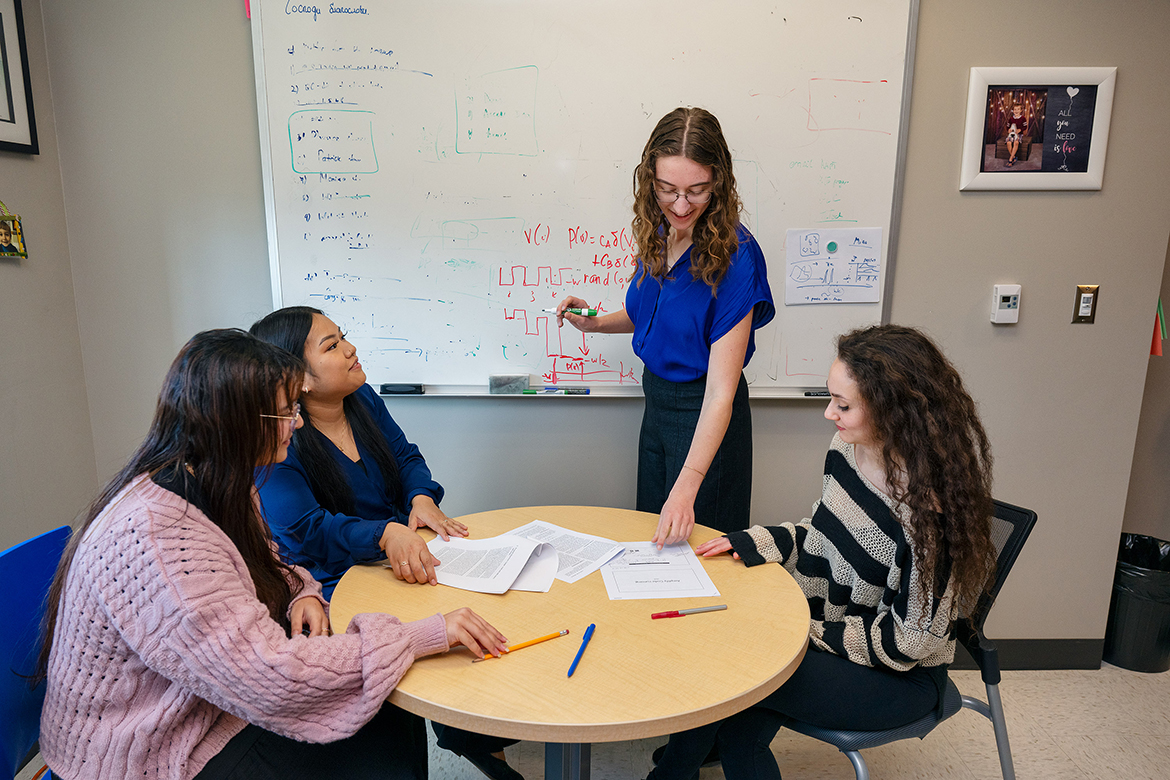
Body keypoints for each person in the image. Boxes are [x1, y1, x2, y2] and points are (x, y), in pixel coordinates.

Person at [37, 329, 508, 780]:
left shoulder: (215, 480)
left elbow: (269, 559)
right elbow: (273, 678)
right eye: (285, 413)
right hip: (151, 751)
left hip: (208, 703)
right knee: (375, 723)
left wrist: (300, 591)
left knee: (382, 712)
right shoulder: (159, 537)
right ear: (237, 423)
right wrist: (420, 635)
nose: (298, 423)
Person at [648, 324, 997, 780]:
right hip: (836, 636)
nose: (829, 414)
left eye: (844, 405)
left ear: (894, 411)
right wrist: (755, 542)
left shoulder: (928, 520)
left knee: (738, 675)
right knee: (735, 699)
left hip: (896, 677)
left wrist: (803, 632)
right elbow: (824, 533)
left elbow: (907, 643)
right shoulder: (848, 449)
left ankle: (670, 774)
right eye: (830, 398)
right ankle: (674, 772)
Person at [250, 306, 522, 780]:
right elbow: (305, 529)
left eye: (344, 338)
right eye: (332, 346)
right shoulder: (278, 439)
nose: (351, 349)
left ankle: (475, 741)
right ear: (299, 379)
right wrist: (383, 532)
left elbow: (406, 455)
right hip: (334, 584)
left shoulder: (363, 400)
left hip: (404, 558)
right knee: (424, 662)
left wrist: (420, 498)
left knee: (484, 628)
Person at [556, 106, 774, 547]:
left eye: (697, 191)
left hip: (705, 416)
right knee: (651, 545)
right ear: (649, 181)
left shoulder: (737, 256)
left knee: (699, 556)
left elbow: (720, 394)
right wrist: (594, 324)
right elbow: (652, 316)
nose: (680, 205)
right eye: (667, 189)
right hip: (656, 407)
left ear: (720, 182)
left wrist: (688, 484)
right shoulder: (661, 229)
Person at [1004, 102, 1028, 167]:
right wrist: (1008, 129)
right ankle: (1014, 157)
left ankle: (1010, 159)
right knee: (1008, 142)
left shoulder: (1023, 118)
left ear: (1021, 110)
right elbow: (1008, 126)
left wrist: (1020, 130)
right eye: (1015, 109)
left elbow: (1025, 126)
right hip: (1011, 134)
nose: (1016, 111)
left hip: (1018, 134)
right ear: (1013, 110)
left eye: (1018, 109)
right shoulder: (1011, 119)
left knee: (1016, 142)